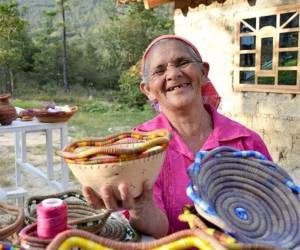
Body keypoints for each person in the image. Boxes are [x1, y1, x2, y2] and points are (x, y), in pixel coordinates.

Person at [83, 34, 272, 239]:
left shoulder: (247, 141)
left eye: (182, 62)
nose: (173, 74)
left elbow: (273, 215)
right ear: (147, 90)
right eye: (159, 70)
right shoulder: (139, 148)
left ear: (204, 72)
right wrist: (141, 207)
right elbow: (158, 230)